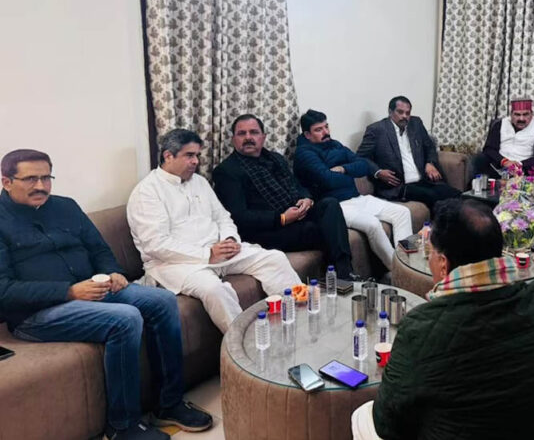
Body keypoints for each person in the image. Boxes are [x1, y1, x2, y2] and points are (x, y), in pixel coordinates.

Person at [0, 149, 212, 440]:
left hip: (91, 290)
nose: (41, 186)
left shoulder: (66, 206)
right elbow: (4, 290)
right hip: (37, 313)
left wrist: (113, 272)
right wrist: (69, 292)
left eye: (46, 178)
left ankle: (168, 404)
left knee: (163, 301)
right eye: (30, 179)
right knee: (125, 318)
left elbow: (99, 249)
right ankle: (122, 426)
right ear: (6, 181)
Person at [351, 199, 534, 439]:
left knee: (363, 416)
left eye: (430, 252)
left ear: (443, 264)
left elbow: (387, 423)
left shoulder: (422, 328)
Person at [127, 129, 301, 333]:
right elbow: (156, 245)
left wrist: (230, 239)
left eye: (197, 155)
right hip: (175, 264)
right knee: (215, 289)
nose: (196, 161)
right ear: (168, 156)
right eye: (189, 155)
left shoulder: (199, 182)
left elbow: (222, 217)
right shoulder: (147, 191)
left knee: (274, 259)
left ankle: (297, 321)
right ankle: (244, 345)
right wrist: (207, 254)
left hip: (218, 252)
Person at [213, 114, 355, 279]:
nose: (248, 138)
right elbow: (239, 216)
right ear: (233, 139)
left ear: (263, 137)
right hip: (266, 230)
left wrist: (306, 199)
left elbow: (297, 185)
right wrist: (282, 218)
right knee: (323, 230)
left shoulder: (276, 159)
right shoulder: (227, 171)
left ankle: (343, 273)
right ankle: (342, 276)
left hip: (295, 215)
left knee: (330, 204)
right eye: (242, 133)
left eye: (254, 132)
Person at [293, 109, 413, 270]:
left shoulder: (335, 144)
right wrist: (349, 174)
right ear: (307, 135)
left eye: (326, 126)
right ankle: (398, 270)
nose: (326, 132)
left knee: (402, 213)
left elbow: (363, 165)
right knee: (373, 224)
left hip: (357, 198)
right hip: (336, 207)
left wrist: (343, 169)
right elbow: (328, 180)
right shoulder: (304, 154)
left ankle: (407, 263)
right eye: (318, 129)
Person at [356, 96, 461, 212]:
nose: (404, 116)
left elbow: (429, 147)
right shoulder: (377, 130)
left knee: (456, 194)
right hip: (399, 186)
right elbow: (361, 157)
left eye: (407, 113)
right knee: (434, 197)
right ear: (390, 112)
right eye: (400, 112)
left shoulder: (416, 124)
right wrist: (378, 172)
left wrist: (430, 163)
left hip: (423, 180)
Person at [474, 98, 534, 178]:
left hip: (523, 170)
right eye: (517, 115)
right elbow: (489, 149)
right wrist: (504, 161)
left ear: (531, 114)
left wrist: (520, 165)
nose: (521, 119)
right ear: (511, 114)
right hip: (498, 166)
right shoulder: (500, 125)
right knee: (479, 161)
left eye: (526, 114)